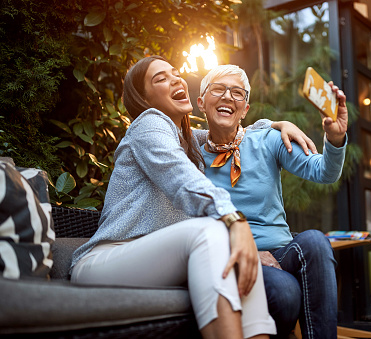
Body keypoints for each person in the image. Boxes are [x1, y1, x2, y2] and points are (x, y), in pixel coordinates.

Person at [69, 55, 314, 339]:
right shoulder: (148, 125)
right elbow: (183, 181)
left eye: (175, 73)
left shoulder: (186, 138)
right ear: (143, 97)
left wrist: (275, 124)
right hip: (107, 260)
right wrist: (235, 220)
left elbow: (232, 132)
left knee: (238, 266)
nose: (175, 79)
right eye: (160, 79)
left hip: (155, 261)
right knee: (213, 230)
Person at [197, 64, 348, 339]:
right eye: (218, 90)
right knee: (285, 292)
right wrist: (250, 252)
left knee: (315, 241)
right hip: (234, 255)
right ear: (201, 103)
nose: (228, 97)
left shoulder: (267, 140)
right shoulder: (190, 157)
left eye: (237, 93)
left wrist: (335, 138)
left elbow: (324, 172)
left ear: (245, 109)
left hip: (283, 251)